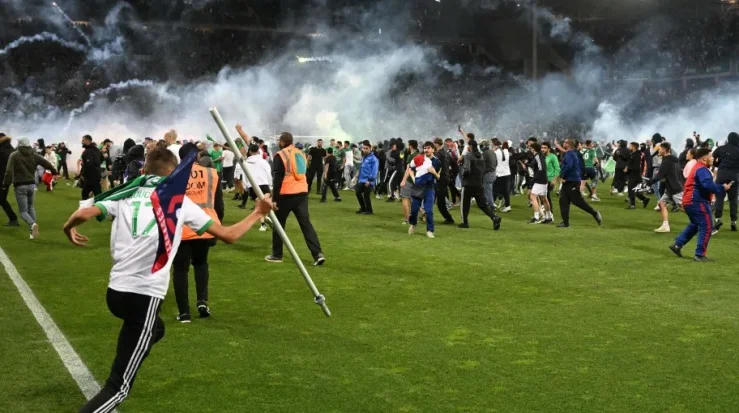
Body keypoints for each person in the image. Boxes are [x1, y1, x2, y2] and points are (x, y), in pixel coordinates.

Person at [63, 146, 274, 412]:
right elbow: (229, 235)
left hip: (115, 293)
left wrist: (67, 228)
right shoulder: (180, 203)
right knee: (118, 388)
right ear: (174, 174)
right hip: (144, 296)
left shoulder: (125, 194)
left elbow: (83, 213)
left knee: (156, 329)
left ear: (143, 170)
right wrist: (258, 212)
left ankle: (135, 347)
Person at [265, 132, 325, 265]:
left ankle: (277, 254)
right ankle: (318, 254)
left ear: (282, 141)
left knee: (278, 225)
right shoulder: (301, 153)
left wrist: (274, 199)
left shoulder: (280, 155)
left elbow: (278, 178)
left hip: (286, 195)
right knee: (306, 224)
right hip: (302, 193)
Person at [669, 148, 732, 262]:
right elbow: (707, 185)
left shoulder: (699, 168)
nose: (713, 158)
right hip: (697, 201)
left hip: (690, 201)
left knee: (695, 224)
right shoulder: (702, 169)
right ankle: (699, 255)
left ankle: (677, 245)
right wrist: (722, 187)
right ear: (704, 158)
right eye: (711, 156)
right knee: (707, 226)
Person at [2, 138, 58, 239]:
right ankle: (33, 231)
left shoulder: (14, 155)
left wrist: (5, 185)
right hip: (32, 185)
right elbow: (46, 163)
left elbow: (9, 172)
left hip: (20, 185)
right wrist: (54, 172)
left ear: (19, 144)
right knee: (31, 207)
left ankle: (32, 224)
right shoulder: (34, 154)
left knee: (23, 212)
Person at [458, 140, 502, 230]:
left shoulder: (468, 156)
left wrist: (463, 177)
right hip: (479, 183)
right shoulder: (481, 156)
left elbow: (466, 170)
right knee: (482, 204)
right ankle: (494, 217)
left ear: (470, 146)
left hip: (468, 184)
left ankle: (465, 222)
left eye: (468, 145)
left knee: (464, 204)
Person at [558, 138, 602, 228]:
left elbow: (569, 166)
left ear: (568, 144)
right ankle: (565, 223)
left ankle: (594, 213)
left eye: (565, 142)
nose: (563, 143)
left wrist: (563, 176)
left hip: (571, 180)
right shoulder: (572, 153)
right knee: (563, 201)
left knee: (577, 201)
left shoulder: (570, 154)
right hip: (571, 180)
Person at [406, 141, 442, 238]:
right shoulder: (418, 158)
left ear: (433, 149)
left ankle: (430, 230)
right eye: (425, 148)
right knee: (414, 209)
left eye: (428, 148)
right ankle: (413, 224)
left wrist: (434, 172)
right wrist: (414, 179)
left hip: (429, 187)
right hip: (417, 187)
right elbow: (409, 168)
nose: (426, 150)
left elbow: (439, 177)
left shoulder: (437, 162)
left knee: (428, 210)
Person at [650, 142, 684, 233]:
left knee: (683, 208)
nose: (659, 151)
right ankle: (665, 226)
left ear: (665, 150)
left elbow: (659, 175)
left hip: (675, 188)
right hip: (671, 187)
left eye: (660, 149)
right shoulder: (674, 159)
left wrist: (650, 182)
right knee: (662, 203)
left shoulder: (666, 161)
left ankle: (702, 222)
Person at [711, 132, 739, 233]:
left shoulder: (721, 148)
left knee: (719, 197)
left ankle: (718, 219)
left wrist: (718, 164)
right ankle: (733, 222)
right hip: (734, 176)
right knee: (733, 200)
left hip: (721, 175)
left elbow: (713, 157)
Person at [528, 142, 552, 224]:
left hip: (539, 180)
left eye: (531, 148)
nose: (530, 150)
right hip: (544, 179)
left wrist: (534, 179)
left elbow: (541, 169)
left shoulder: (538, 156)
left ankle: (536, 217)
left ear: (533, 149)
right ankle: (549, 217)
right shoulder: (541, 156)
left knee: (532, 197)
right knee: (544, 199)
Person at [433, 138, 455, 225]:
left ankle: (449, 218)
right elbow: (453, 162)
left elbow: (435, 165)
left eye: (433, 144)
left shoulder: (438, 154)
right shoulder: (445, 153)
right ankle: (425, 214)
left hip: (441, 179)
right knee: (437, 199)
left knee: (440, 202)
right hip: (445, 177)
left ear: (437, 144)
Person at [399, 140, 420, 224]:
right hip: (417, 180)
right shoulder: (419, 155)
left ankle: (407, 219)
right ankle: (423, 213)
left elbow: (408, 169)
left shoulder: (411, 156)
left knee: (405, 199)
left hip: (409, 180)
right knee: (414, 200)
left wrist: (403, 180)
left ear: (410, 146)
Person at [355, 140, 379, 214]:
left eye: (366, 148)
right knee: (358, 192)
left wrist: (369, 180)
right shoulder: (364, 157)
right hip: (362, 180)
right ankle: (363, 208)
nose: (364, 149)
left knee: (366, 195)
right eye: (363, 148)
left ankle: (369, 210)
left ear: (370, 149)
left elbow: (374, 171)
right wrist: (357, 174)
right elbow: (362, 167)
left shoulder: (374, 159)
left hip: (369, 180)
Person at [0, 134, 19, 226]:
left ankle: (13, 219)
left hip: (2, 178)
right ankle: (13, 219)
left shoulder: (2, 150)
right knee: (2, 199)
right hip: (7, 179)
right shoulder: (11, 149)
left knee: (2, 200)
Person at [80, 134, 103, 200]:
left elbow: (89, 164)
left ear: (88, 141)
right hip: (97, 174)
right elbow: (102, 159)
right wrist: (97, 165)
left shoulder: (88, 151)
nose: (82, 142)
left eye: (83, 140)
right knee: (97, 193)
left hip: (90, 175)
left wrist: (83, 173)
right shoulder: (97, 150)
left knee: (86, 193)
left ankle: (85, 208)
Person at [541, 142, 560, 217]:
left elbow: (557, 168)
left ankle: (550, 213)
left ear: (549, 149)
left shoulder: (553, 157)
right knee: (542, 196)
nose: (542, 149)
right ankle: (545, 212)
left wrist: (554, 179)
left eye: (544, 148)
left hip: (550, 179)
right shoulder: (541, 156)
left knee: (546, 196)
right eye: (542, 148)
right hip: (542, 179)